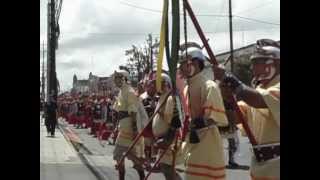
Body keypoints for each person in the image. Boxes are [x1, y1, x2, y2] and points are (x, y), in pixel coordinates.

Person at [213, 39, 280, 179]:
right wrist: (226, 98)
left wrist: (228, 79)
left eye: (257, 62)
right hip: (259, 167)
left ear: (275, 63)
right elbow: (235, 118)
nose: (252, 68)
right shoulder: (259, 90)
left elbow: (259, 100)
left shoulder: (268, 91)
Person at [179, 48, 229, 180]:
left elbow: (214, 118)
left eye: (183, 64)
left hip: (208, 142)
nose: (180, 67)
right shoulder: (186, 88)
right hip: (193, 141)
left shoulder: (209, 86)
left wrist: (197, 123)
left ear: (194, 64)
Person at [112, 69, 145, 180]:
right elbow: (118, 111)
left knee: (119, 153)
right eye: (115, 78)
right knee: (126, 154)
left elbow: (133, 111)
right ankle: (140, 175)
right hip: (123, 127)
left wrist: (135, 130)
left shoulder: (130, 92)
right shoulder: (121, 92)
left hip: (129, 129)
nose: (116, 81)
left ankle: (140, 174)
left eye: (119, 78)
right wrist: (116, 126)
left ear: (125, 79)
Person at [152, 73, 183, 180]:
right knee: (166, 167)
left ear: (167, 84)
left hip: (169, 139)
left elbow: (174, 121)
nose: (158, 85)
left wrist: (167, 139)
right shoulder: (162, 97)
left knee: (167, 167)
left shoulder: (170, 98)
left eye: (161, 83)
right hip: (163, 138)